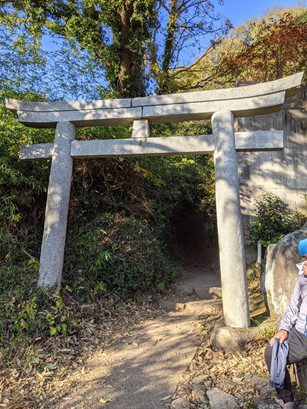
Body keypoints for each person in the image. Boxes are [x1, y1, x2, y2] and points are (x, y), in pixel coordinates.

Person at [264, 238, 307, 408]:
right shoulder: (302, 279)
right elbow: (292, 308)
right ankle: (286, 398)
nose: (305, 262)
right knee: (272, 350)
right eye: (304, 258)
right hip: (300, 334)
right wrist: (284, 329)